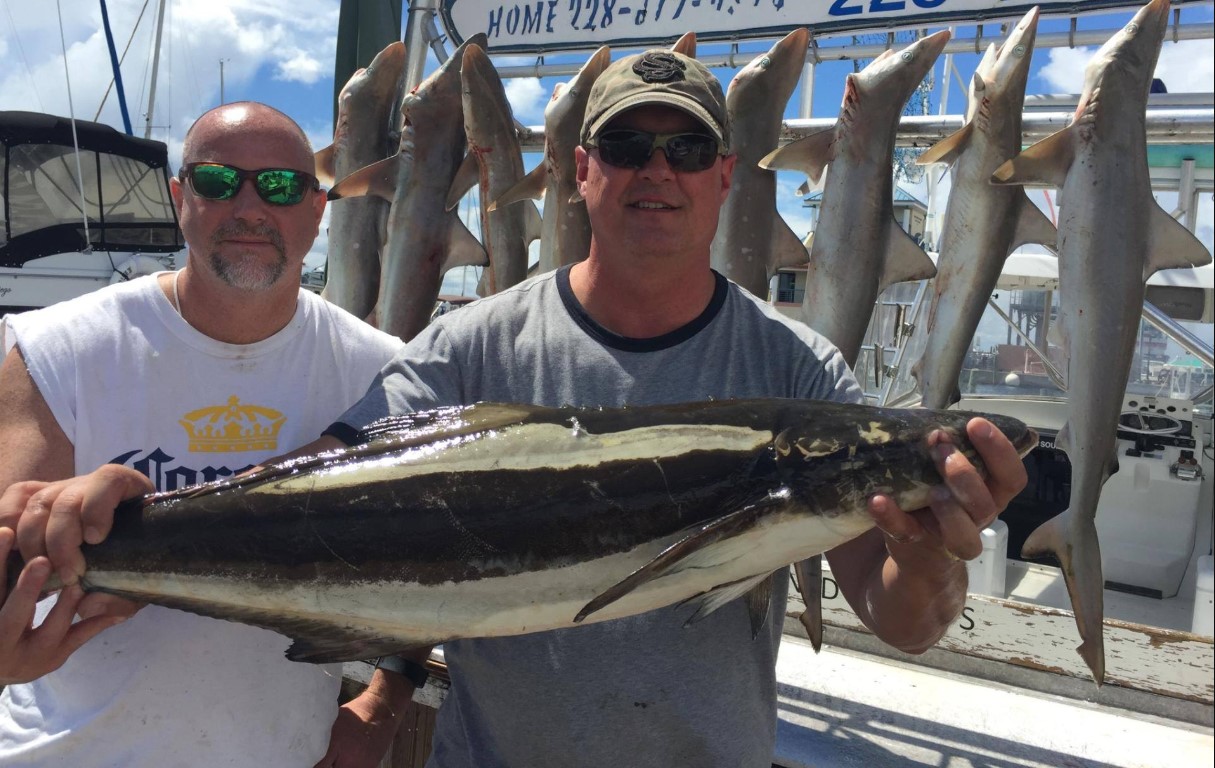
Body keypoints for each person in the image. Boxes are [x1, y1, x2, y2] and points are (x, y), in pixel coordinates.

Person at [3, 53, 1028, 767]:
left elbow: (902, 621)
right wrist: (128, 522)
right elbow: (339, 469)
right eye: (627, 148)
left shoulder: (802, 375)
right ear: (582, 173)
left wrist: (935, 546)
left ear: (724, 177)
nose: (654, 172)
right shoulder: (470, 344)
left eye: (682, 152)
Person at [0, 102, 409, 767]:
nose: (249, 206)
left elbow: (436, 555)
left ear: (317, 208)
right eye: (218, 181)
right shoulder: (57, 348)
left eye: (277, 186)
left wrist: (382, 703)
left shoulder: (383, 371)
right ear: (179, 197)